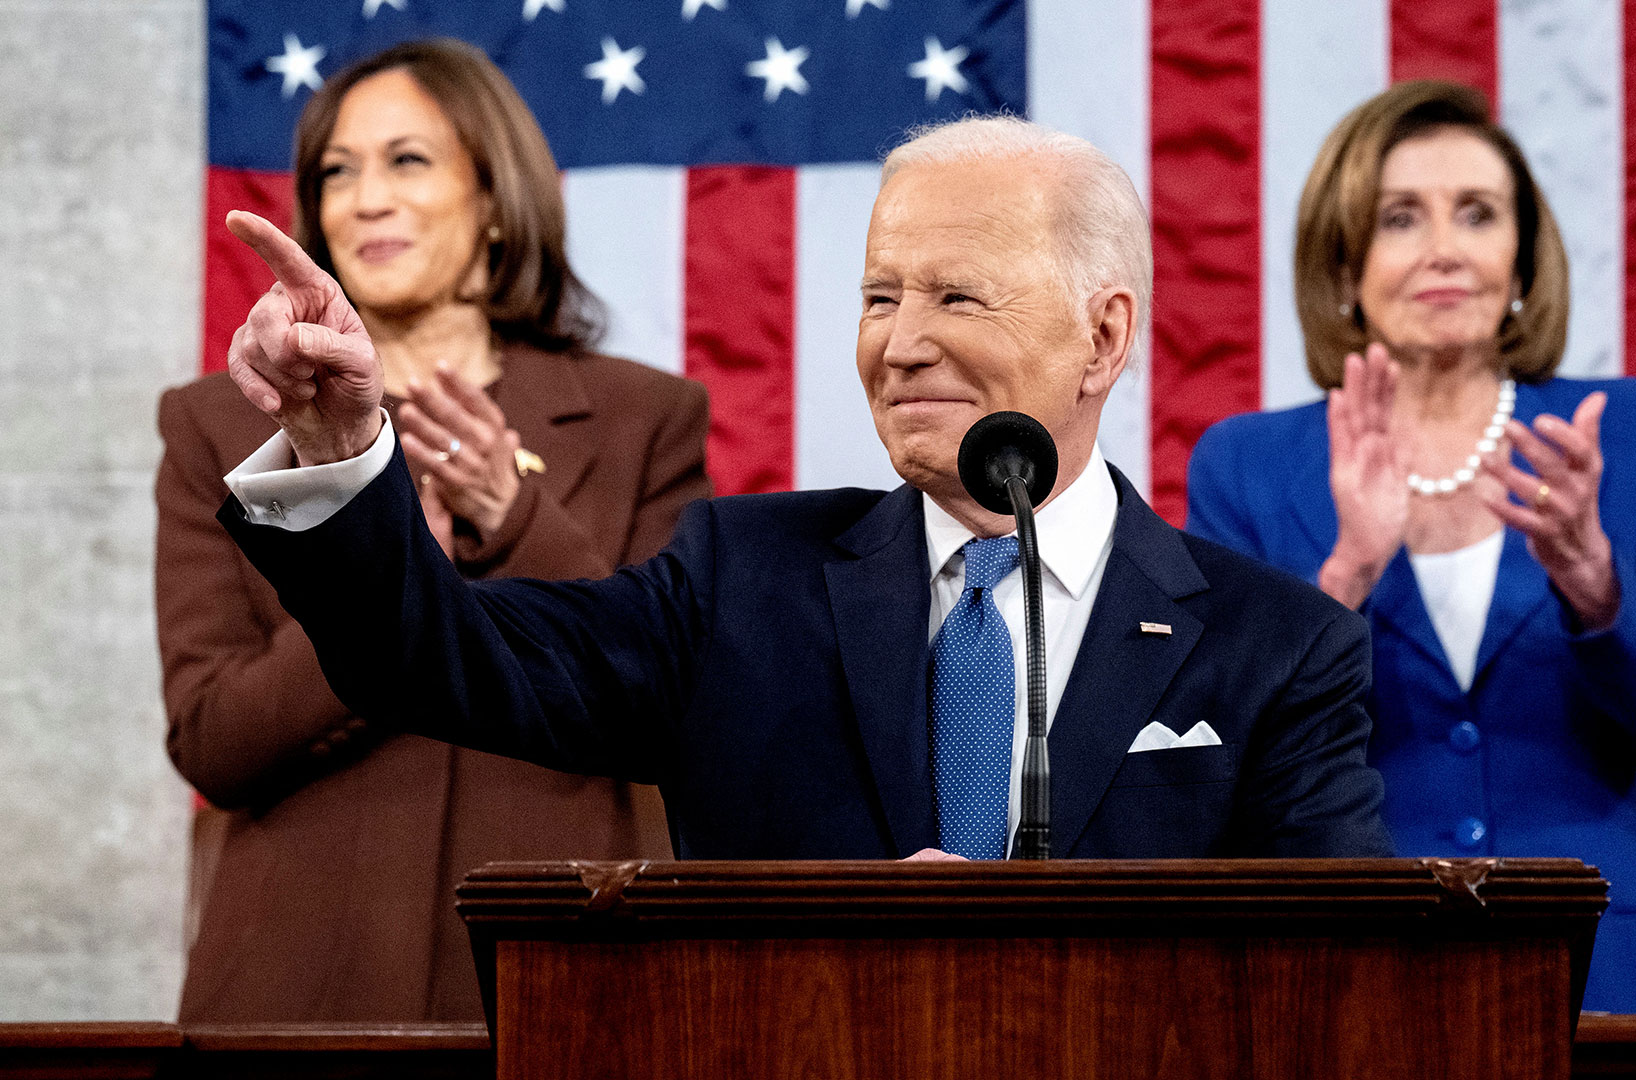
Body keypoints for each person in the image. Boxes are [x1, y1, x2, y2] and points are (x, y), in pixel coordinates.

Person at [207, 115, 1395, 868]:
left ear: (1103, 336)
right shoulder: (739, 582)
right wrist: (345, 444)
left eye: (957, 299)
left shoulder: (1280, 651)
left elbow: (1337, 982)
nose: (902, 344)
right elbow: (436, 657)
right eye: (882, 299)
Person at [156, 39, 710, 1021]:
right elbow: (214, 741)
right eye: (338, 171)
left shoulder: (643, 418)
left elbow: (664, 707)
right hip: (300, 988)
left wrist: (515, 517)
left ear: (494, 196)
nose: (366, 198)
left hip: (564, 978)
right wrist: (373, 549)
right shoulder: (221, 424)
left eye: (407, 160)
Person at [1185, 81, 1636, 1012]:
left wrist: (1597, 587)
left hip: (1611, 964)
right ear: (1345, 263)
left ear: (1521, 258)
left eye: (1478, 215)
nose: (1445, 250)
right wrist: (1345, 577)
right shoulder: (1245, 466)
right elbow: (1216, 759)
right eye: (1401, 218)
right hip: (1359, 969)